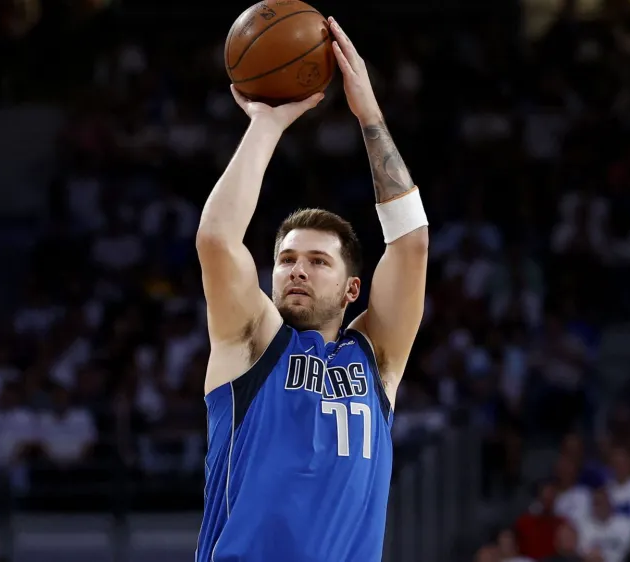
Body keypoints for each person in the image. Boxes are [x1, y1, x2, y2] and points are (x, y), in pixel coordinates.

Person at [195, 18, 429, 562]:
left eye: (317, 261)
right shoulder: (250, 343)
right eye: (286, 259)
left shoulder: (376, 356)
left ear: (352, 288)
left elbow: (412, 244)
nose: (296, 269)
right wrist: (266, 124)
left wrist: (369, 114)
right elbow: (216, 238)